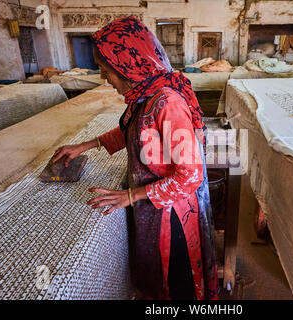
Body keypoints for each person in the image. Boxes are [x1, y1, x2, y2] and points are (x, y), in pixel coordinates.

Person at [52, 16, 218, 300]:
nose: (106, 79)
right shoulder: (145, 97)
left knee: (178, 283)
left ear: (127, 66)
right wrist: (85, 145)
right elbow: (133, 131)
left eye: (107, 71)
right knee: (158, 279)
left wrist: (130, 196)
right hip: (153, 206)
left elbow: (190, 176)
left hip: (173, 214)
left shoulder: (168, 104)